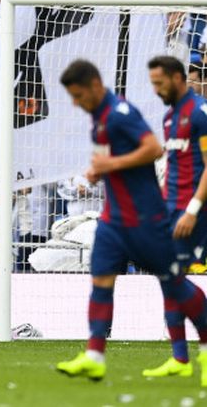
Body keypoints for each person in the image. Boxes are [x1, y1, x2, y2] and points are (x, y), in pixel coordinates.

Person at [56, 59, 207, 383]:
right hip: (124, 217)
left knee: (173, 283)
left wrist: (193, 208)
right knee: (102, 277)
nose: (156, 90)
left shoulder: (129, 114)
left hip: (158, 217)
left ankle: (198, 350)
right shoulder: (162, 117)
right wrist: (99, 171)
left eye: (78, 95)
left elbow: (151, 149)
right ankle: (97, 354)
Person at [151, 56, 207, 275]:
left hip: (195, 215)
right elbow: (174, 167)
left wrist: (192, 211)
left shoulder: (200, 114)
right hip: (172, 212)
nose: (157, 91)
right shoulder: (168, 118)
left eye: (160, 84)